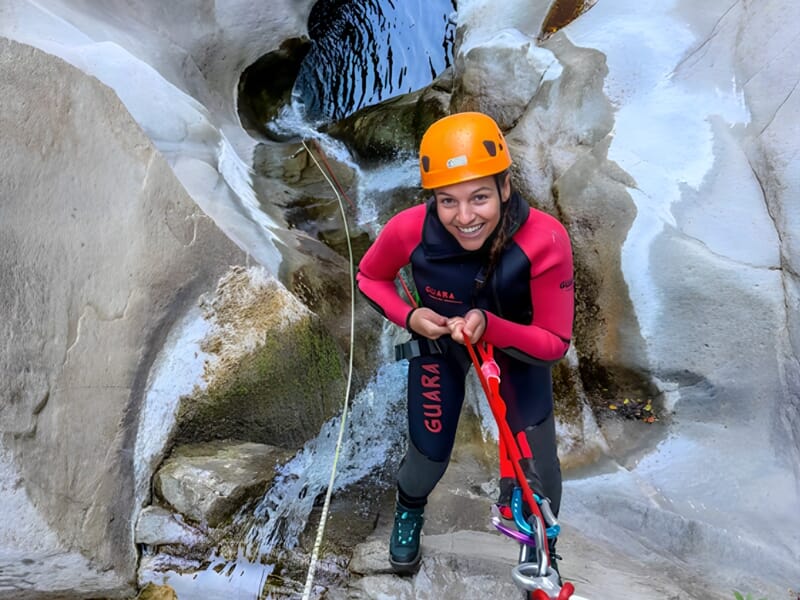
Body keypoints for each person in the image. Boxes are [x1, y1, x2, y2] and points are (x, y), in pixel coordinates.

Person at [356, 111, 575, 575]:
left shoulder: (544, 240)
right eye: (447, 201)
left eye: (479, 197)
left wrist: (488, 325)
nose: (465, 217)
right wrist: (412, 316)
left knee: (537, 472)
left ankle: (539, 545)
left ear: (505, 187)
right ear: (432, 200)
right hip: (442, 346)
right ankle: (409, 509)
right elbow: (371, 277)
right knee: (427, 457)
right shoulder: (409, 231)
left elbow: (554, 342)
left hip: (518, 348)